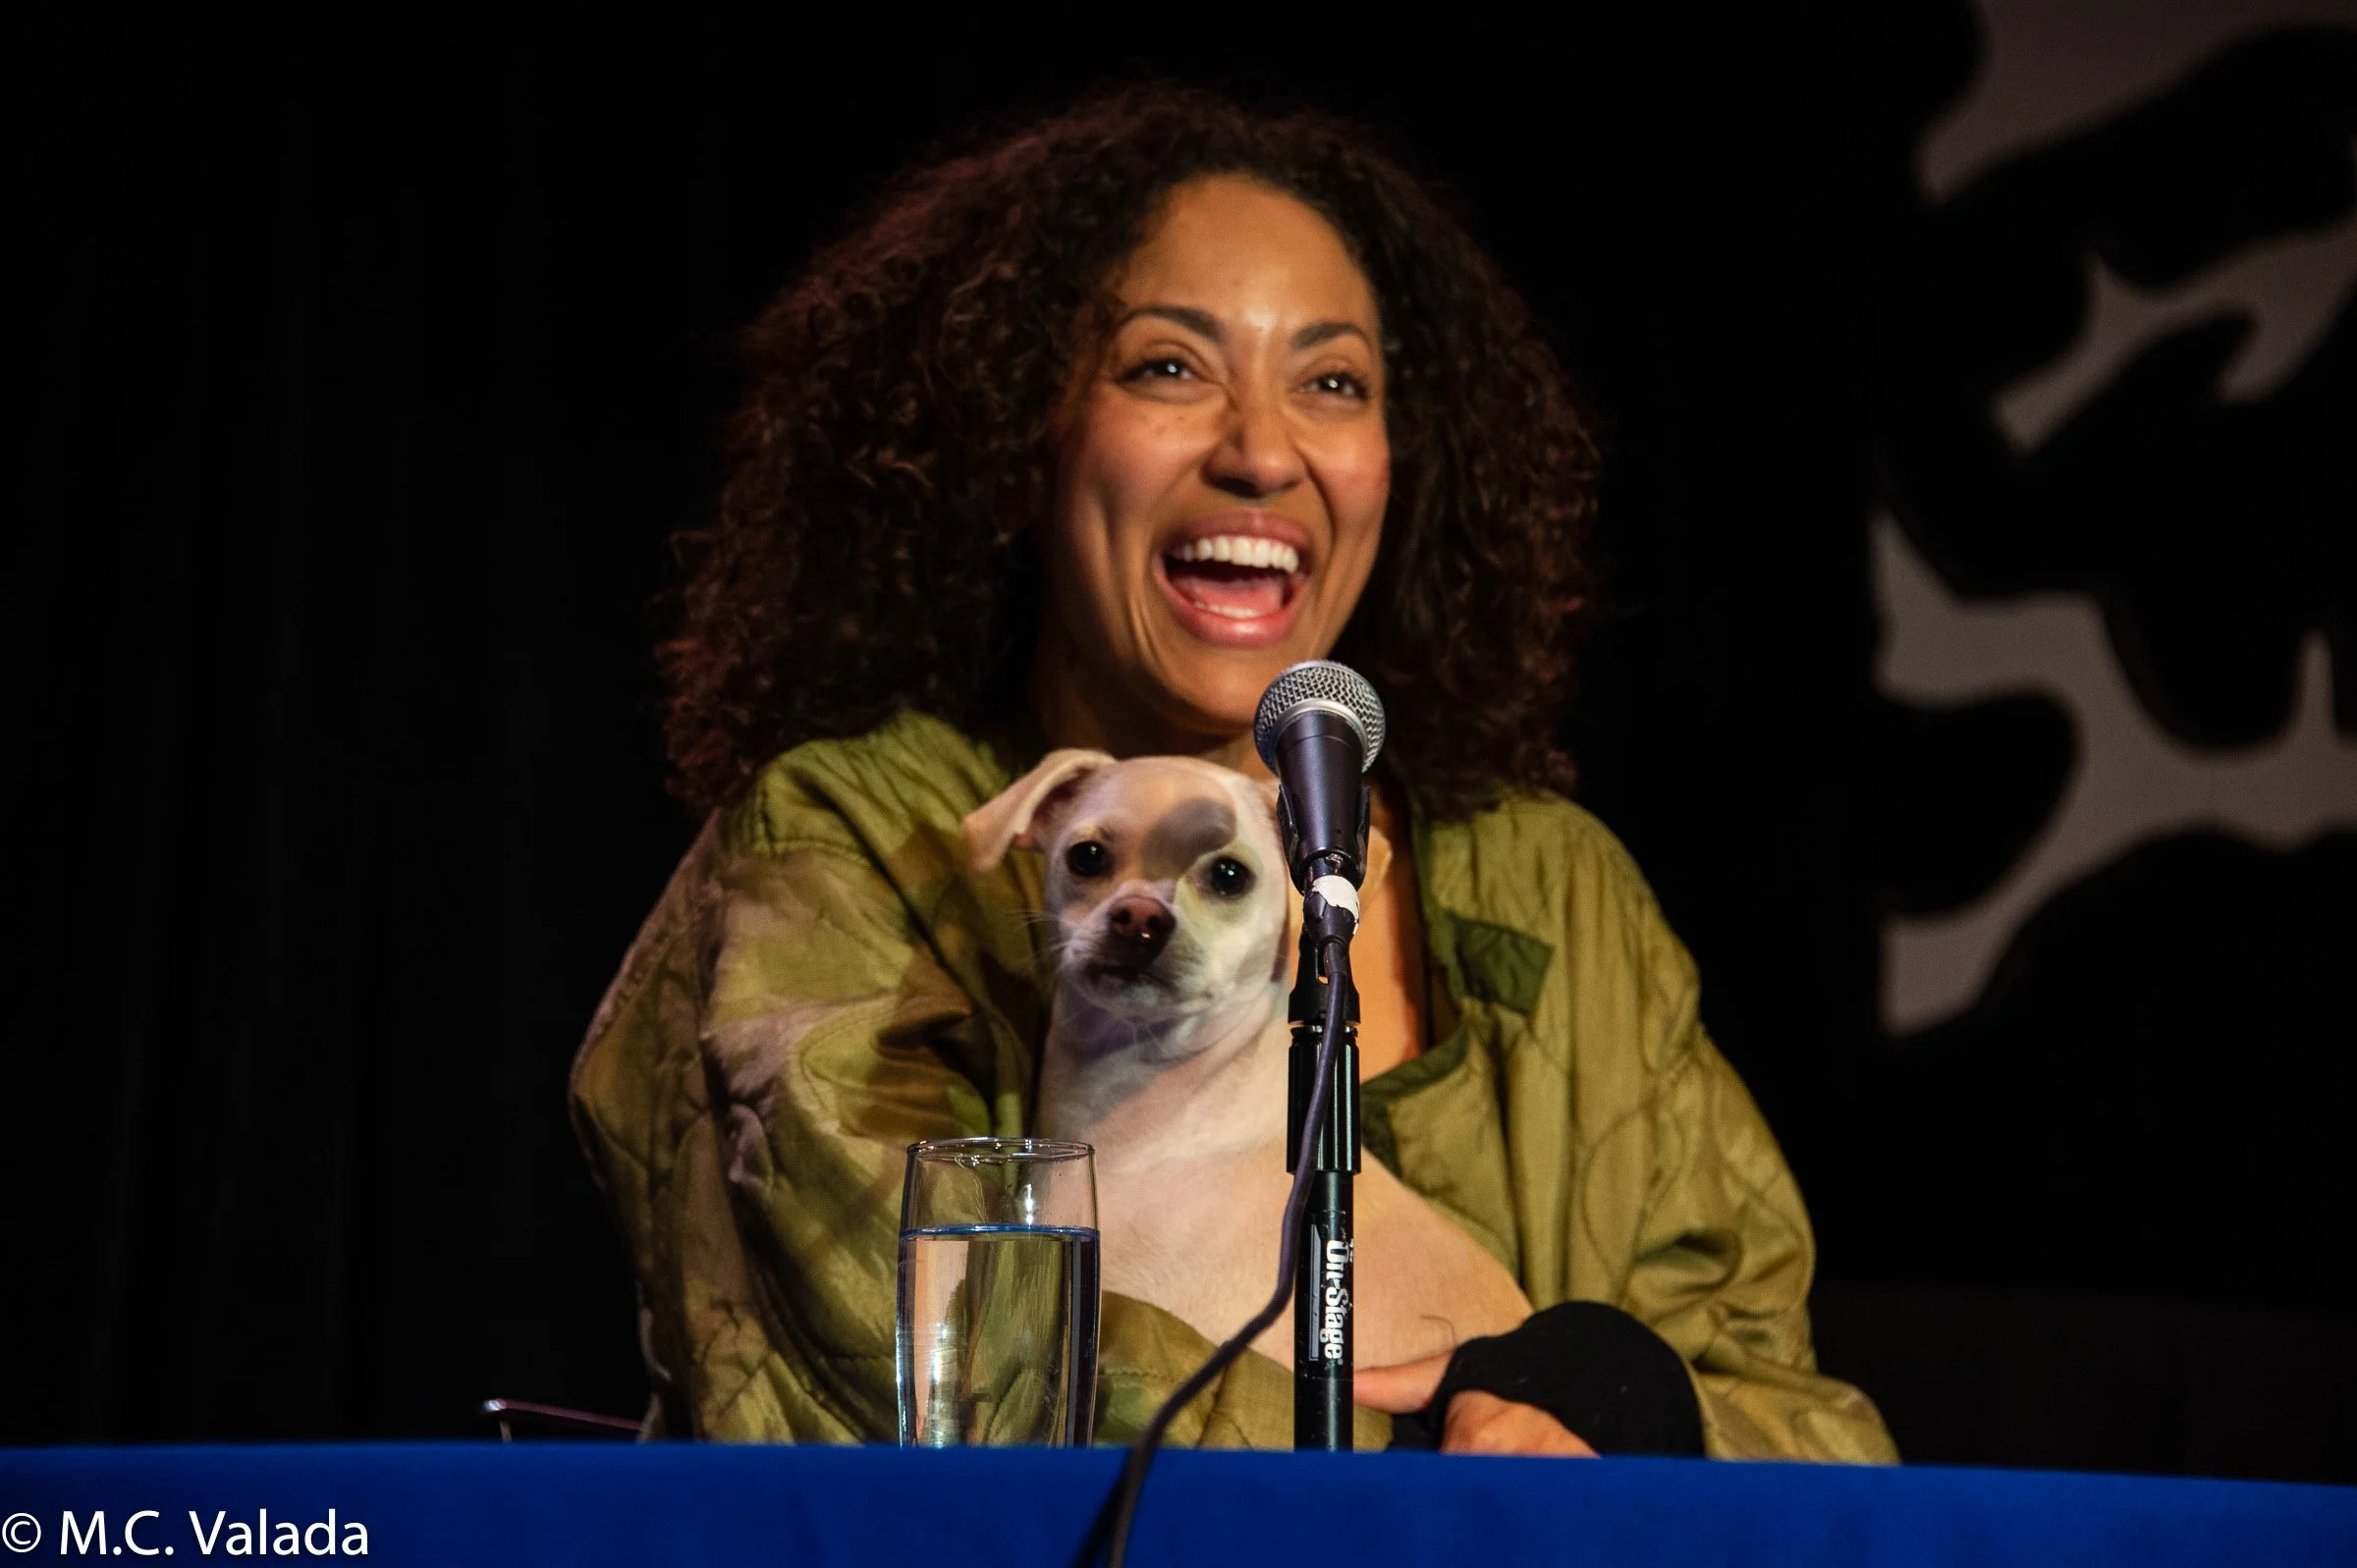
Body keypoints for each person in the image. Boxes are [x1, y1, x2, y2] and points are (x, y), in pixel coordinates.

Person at [571, 85, 1895, 1461]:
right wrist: (1456, 1459)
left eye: (1332, 382)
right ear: (1022, 432)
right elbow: (917, 1369)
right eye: (1168, 368)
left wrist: (1630, 1399)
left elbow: (1799, 1425)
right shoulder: (851, 843)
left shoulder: (1557, 891)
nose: (1262, 452)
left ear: (1401, 465)